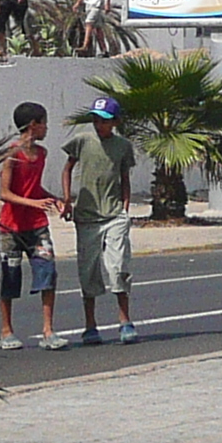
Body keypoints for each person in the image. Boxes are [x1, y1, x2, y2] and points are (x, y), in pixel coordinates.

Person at [64, 96, 139, 346]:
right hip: (86, 216)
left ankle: (125, 321)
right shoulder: (82, 141)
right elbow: (67, 169)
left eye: (105, 120)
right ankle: (90, 325)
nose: (99, 125)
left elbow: (124, 176)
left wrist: (125, 208)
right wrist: (67, 200)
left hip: (114, 214)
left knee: (118, 268)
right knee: (88, 272)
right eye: (96, 119)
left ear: (115, 122)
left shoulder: (122, 146)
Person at [0, 101, 60, 351]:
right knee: (9, 277)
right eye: (43, 122)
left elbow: (35, 189)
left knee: (47, 271)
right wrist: (35, 202)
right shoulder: (12, 154)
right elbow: (4, 193)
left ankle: (48, 330)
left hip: (37, 225)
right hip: (11, 226)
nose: (46, 128)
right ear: (34, 125)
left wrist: (54, 200)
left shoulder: (41, 154)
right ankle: (6, 330)